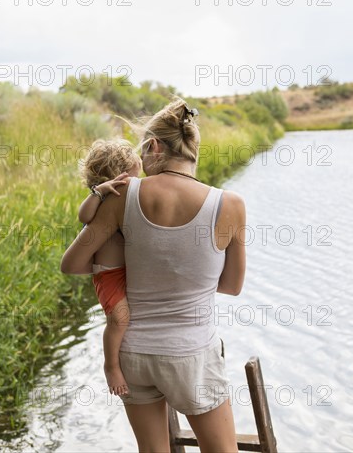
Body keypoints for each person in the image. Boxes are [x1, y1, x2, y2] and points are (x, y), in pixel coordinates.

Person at [61, 98, 246, 453]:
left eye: (142, 155)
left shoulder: (122, 196)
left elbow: (73, 263)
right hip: (191, 353)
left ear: (154, 146)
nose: (142, 167)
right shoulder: (231, 204)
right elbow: (232, 286)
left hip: (133, 355)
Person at [78, 138, 142, 396]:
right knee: (119, 319)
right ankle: (111, 366)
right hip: (108, 273)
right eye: (132, 179)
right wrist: (99, 192)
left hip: (126, 271)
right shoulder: (103, 200)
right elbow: (83, 217)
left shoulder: (130, 197)